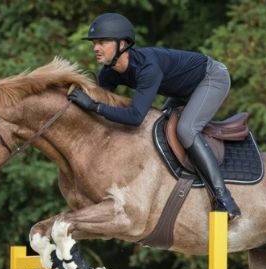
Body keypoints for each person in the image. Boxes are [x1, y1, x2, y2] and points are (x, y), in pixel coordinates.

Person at [67, 13, 240, 218]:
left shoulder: (148, 68)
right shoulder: (108, 72)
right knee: (161, 124)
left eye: (102, 42)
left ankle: (225, 200)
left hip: (211, 78)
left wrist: (94, 107)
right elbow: (101, 105)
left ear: (122, 44)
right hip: (180, 90)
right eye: (94, 43)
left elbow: (135, 117)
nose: (95, 48)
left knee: (185, 130)